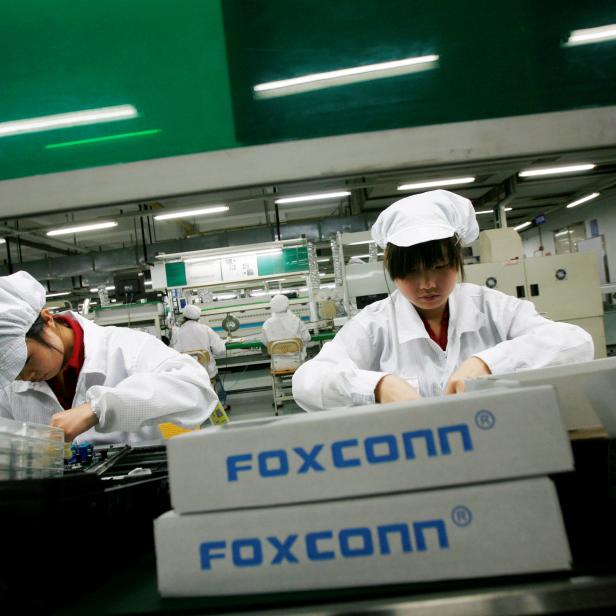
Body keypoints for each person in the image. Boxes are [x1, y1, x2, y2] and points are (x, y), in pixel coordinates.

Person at [292, 189, 594, 411]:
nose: (427, 285)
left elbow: (576, 343)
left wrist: (487, 364)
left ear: (458, 258)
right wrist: (378, 386)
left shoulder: (490, 307)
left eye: (439, 267)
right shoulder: (375, 324)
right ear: (391, 270)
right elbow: (307, 382)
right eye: (410, 273)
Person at [0, 271, 219, 444]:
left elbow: (197, 390)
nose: (24, 376)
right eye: (11, 371)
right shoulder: (9, 388)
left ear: (47, 319)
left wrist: (100, 408)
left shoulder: (126, 348)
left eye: (26, 360)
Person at [171, 305, 230, 411]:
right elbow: (220, 349)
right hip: (207, 371)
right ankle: (222, 404)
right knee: (215, 379)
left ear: (184, 317)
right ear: (198, 317)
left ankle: (198, 408)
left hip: (188, 372)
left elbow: (175, 352)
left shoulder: (177, 332)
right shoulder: (205, 329)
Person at [261, 294, 311, 368]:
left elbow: (265, 342)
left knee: (277, 370)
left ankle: (278, 378)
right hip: (298, 362)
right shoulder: (296, 320)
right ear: (287, 305)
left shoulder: (267, 324)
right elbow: (307, 338)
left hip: (277, 364)